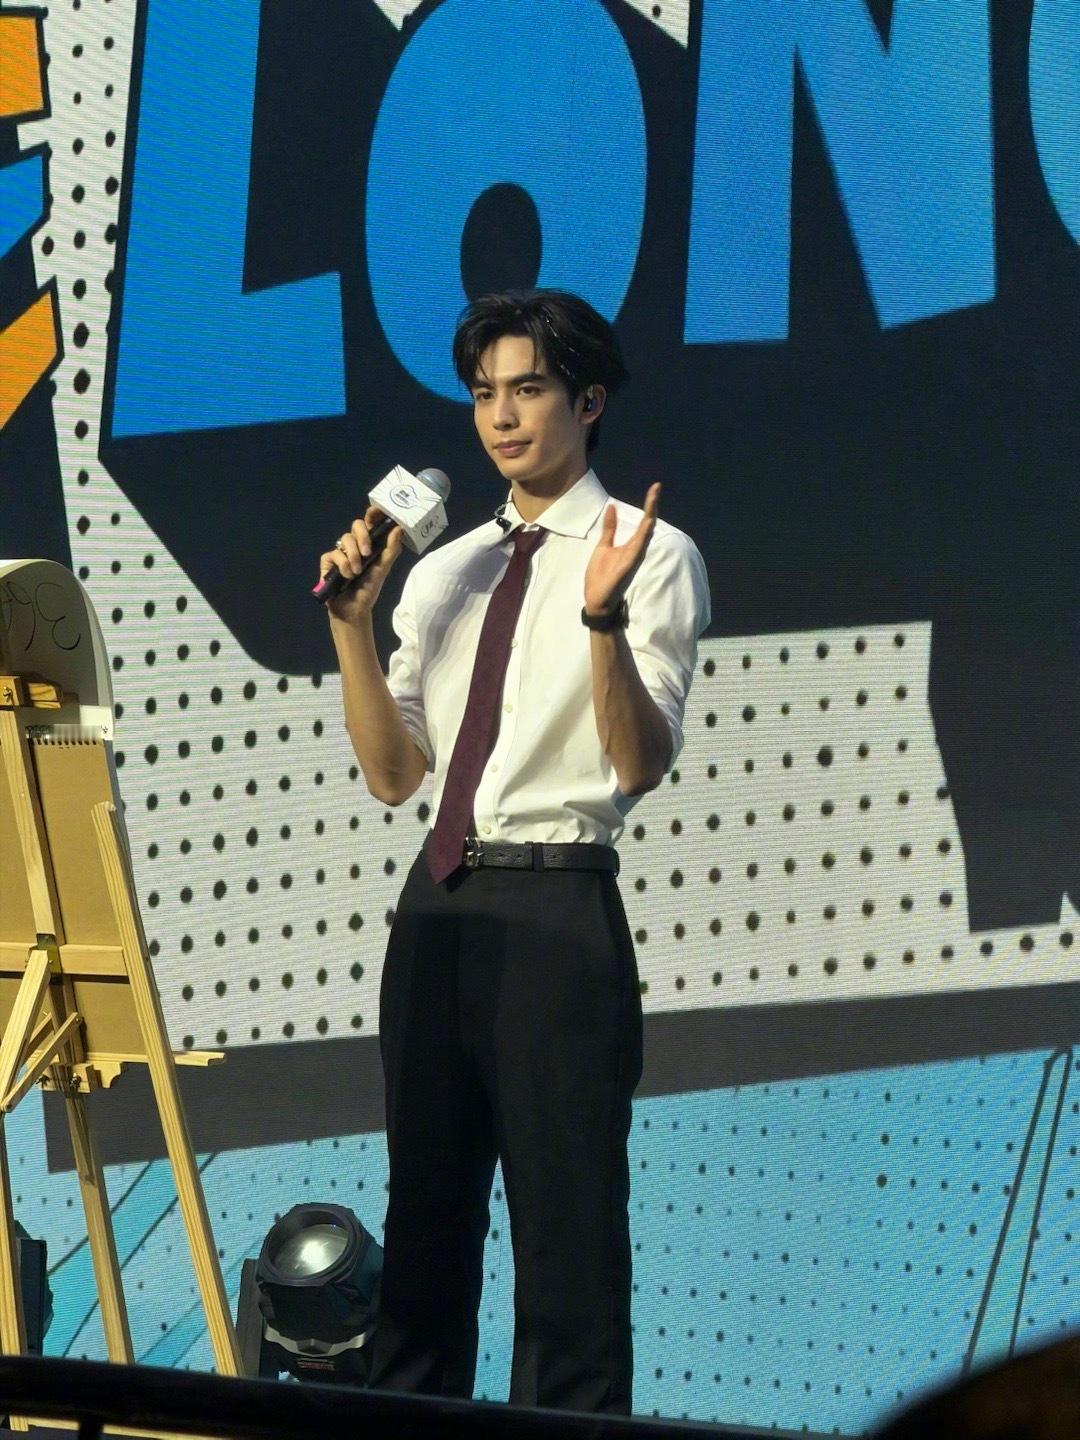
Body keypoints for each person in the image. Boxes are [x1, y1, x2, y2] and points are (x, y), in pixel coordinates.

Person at [319, 289, 710, 1413]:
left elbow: (637, 760)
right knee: (422, 1239)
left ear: (588, 402)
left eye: (528, 389)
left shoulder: (650, 554)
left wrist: (601, 621)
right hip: (438, 908)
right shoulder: (443, 570)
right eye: (484, 393)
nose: (501, 416)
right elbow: (395, 774)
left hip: (556, 910)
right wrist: (350, 623)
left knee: (567, 1248)